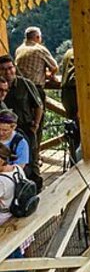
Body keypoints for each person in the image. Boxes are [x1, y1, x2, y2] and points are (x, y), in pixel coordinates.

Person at [0, 55, 43, 190]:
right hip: (6, 133)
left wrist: (35, 125)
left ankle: (35, 189)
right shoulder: (1, 87)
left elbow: (38, 105)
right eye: (3, 69)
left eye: (10, 68)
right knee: (10, 161)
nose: (8, 72)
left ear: (14, 68)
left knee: (32, 161)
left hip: (26, 127)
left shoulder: (25, 84)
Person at [0, 143, 30, 272]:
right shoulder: (18, 169)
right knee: (18, 260)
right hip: (17, 220)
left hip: (4, 224)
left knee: (8, 268)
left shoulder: (1, 181)